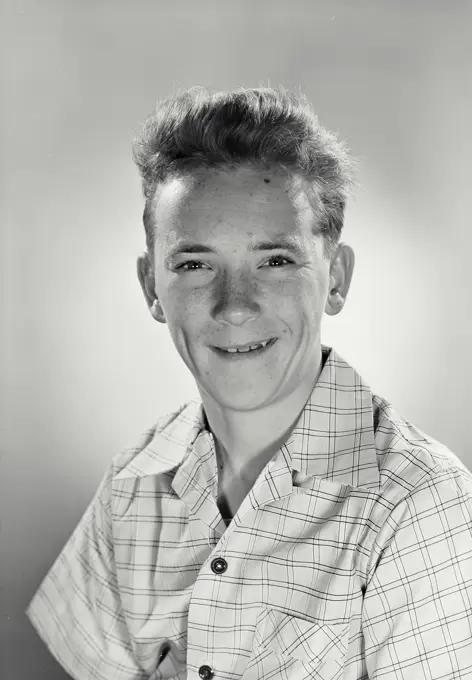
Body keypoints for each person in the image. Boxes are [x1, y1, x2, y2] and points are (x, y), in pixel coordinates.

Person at [27, 86, 472, 680]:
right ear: (150, 286)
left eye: (275, 260)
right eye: (194, 264)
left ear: (335, 279)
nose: (234, 306)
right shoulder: (130, 489)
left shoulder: (421, 507)